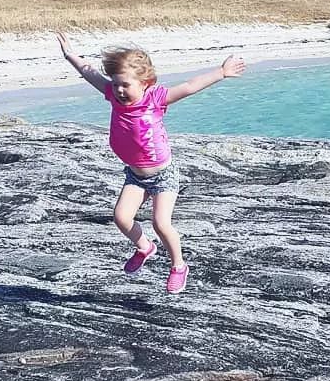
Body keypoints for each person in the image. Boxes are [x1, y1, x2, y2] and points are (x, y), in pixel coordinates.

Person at [55, 32, 246, 293]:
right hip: (136, 175)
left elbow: (189, 86)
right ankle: (145, 247)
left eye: (126, 85)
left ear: (145, 83)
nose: (120, 90)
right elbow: (90, 74)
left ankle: (179, 266)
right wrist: (70, 56)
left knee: (161, 223)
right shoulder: (112, 94)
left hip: (163, 175)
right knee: (121, 217)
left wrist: (221, 72)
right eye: (117, 84)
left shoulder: (154, 99)